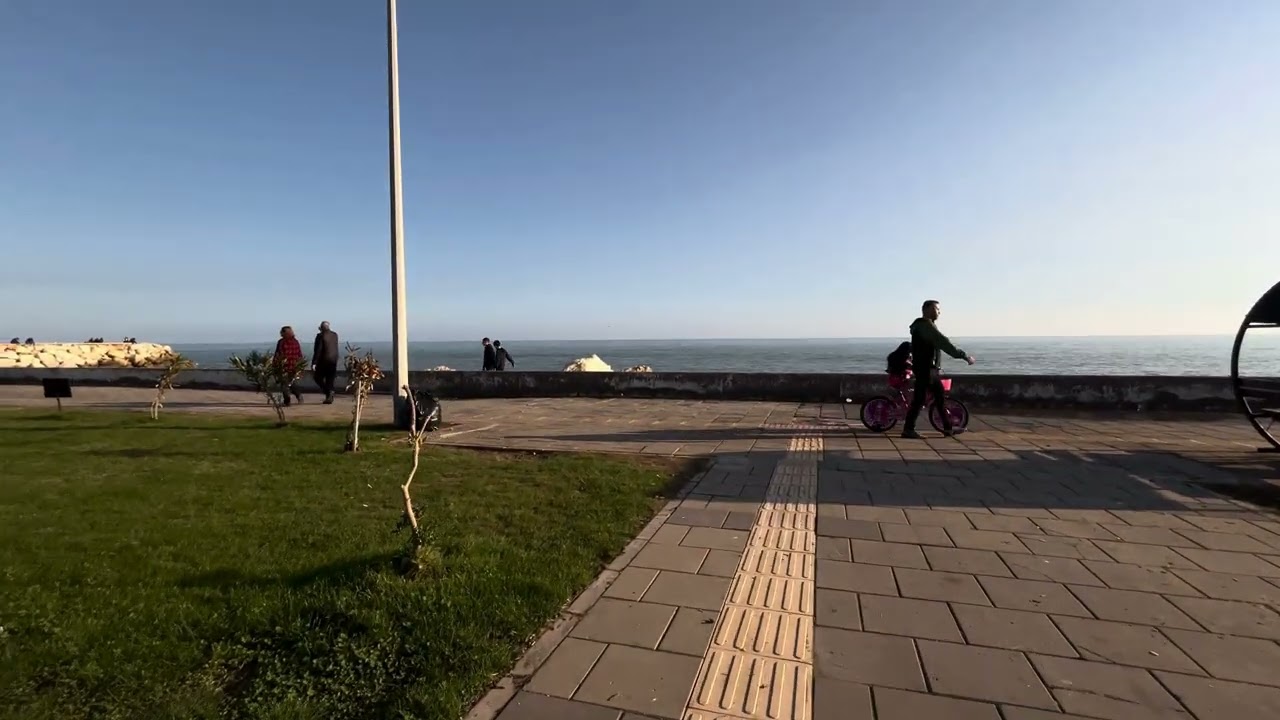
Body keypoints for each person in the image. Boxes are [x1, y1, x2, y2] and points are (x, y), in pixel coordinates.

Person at [902, 300, 974, 439]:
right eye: (937, 309)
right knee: (921, 399)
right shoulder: (925, 326)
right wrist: (964, 356)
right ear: (928, 309)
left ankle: (947, 429)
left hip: (928, 369)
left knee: (938, 398)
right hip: (925, 369)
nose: (939, 312)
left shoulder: (924, 326)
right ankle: (909, 429)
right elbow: (944, 342)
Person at [273, 326, 305, 405]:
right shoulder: (295, 341)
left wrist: (275, 365)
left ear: (284, 333)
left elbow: (278, 354)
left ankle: (287, 400)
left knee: (285, 384)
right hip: (294, 366)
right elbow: (299, 354)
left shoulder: (281, 342)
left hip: (285, 366)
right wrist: (300, 366)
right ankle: (298, 396)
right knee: (291, 383)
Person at [312, 321, 340, 404]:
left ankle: (328, 392)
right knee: (330, 379)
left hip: (323, 360)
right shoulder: (334, 335)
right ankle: (329, 395)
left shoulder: (320, 336)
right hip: (333, 360)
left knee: (317, 377)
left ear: (321, 328)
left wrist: (314, 362)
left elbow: (318, 350)